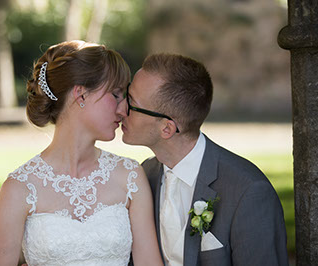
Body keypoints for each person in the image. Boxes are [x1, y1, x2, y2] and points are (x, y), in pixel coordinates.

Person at [0, 40, 163, 266]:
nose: (124, 108)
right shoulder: (19, 188)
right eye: (116, 95)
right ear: (81, 95)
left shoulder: (130, 176)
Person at [117, 53, 289, 266]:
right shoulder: (145, 175)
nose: (121, 109)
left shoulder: (249, 192)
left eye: (132, 104)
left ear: (167, 128)